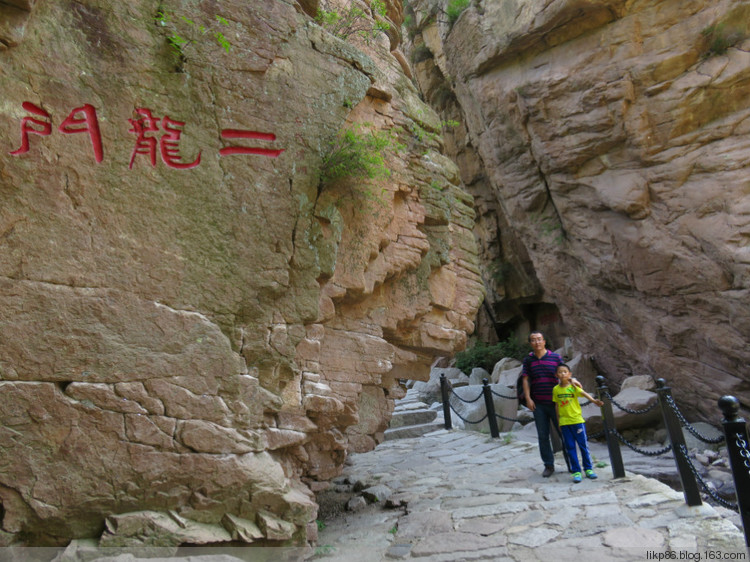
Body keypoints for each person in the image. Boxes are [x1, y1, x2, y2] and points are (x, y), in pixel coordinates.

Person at [521, 330, 577, 477]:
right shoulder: (528, 360)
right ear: (530, 343)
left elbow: (564, 374)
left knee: (564, 433)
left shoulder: (555, 358)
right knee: (542, 435)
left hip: (556, 403)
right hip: (538, 403)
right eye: (533, 340)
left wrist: (573, 381)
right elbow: (525, 379)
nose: (537, 342)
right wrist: (528, 398)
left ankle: (572, 464)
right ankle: (548, 465)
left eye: (539, 339)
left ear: (544, 341)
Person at [552, 363, 604, 483]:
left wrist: (594, 401)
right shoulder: (555, 389)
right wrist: (558, 421)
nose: (563, 374)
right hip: (565, 422)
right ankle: (576, 471)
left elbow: (584, 393)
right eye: (560, 372)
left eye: (565, 371)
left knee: (583, 446)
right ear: (556, 375)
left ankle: (589, 469)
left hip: (577, 421)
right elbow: (557, 405)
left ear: (569, 374)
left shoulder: (573, 387)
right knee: (570, 447)